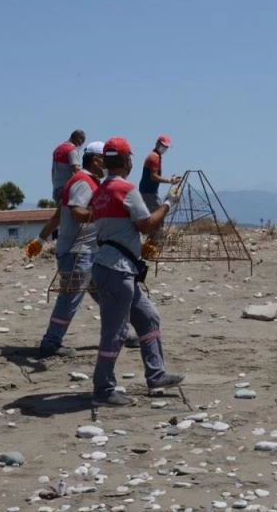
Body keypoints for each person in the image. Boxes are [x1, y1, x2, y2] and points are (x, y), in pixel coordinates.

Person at [89, 137, 185, 407]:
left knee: (147, 317)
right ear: (126, 161)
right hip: (117, 270)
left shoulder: (100, 191)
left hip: (113, 267)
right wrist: (168, 204)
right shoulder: (126, 189)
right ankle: (103, 388)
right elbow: (145, 224)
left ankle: (156, 374)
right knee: (115, 331)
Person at [26, 141, 141, 355]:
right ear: (97, 160)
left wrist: (41, 241)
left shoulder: (88, 182)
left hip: (88, 252)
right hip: (77, 253)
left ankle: (122, 334)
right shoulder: (82, 182)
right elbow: (76, 212)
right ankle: (50, 343)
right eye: (105, 160)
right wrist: (104, 213)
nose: (108, 164)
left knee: (107, 296)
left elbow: (58, 215)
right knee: (70, 297)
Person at [138, 135, 179, 244]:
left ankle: (150, 244)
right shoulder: (154, 157)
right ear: (157, 144)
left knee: (153, 218)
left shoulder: (156, 156)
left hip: (148, 191)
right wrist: (170, 180)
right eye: (163, 145)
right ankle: (152, 245)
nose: (164, 148)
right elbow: (154, 176)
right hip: (149, 193)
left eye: (166, 147)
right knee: (158, 219)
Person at [51, 129, 86, 205]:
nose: (80, 145)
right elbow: (76, 170)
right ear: (79, 139)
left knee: (61, 214)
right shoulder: (71, 150)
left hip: (56, 188)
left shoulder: (57, 149)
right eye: (82, 142)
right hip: (67, 189)